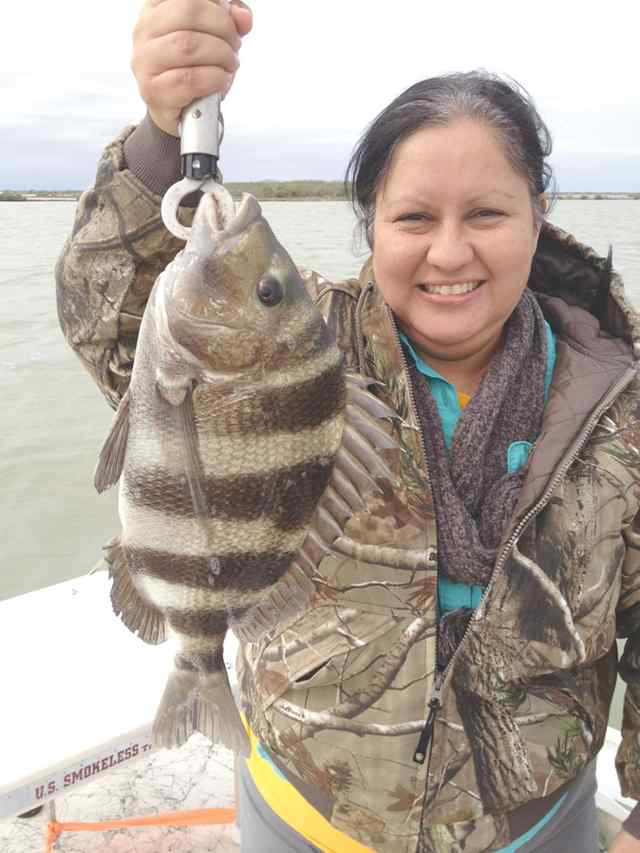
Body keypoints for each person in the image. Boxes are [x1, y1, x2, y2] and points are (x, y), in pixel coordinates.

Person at [55, 2, 640, 851]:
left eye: (486, 214)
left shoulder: (618, 397)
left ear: (538, 211)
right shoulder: (302, 348)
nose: (448, 253)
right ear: (369, 220)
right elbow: (107, 317)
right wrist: (160, 131)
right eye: (413, 218)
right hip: (303, 817)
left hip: (540, 826)